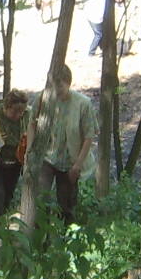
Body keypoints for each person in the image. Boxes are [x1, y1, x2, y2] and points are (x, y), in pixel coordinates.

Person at [23, 63, 96, 226]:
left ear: (68, 83)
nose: (57, 90)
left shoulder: (83, 104)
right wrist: (30, 150)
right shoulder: (42, 99)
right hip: (46, 157)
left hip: (70, 161)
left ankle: (67, 232)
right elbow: (32, 124)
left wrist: (77, 165)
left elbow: (89, 136)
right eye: (54, 86)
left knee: (66, 203)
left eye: (60, 86)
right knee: (41, 198)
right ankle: (41, 232)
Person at [0, 89, 28, 222]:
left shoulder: (27, 115)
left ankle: (2, 223)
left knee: (8, 195)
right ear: (7, 107)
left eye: (22, 111)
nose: (19, 115)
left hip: (15, 162)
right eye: (15, 111)